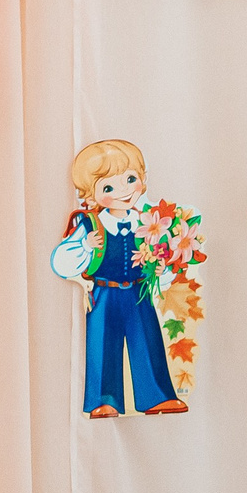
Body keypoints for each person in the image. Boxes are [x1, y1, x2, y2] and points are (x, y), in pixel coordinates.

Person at [49, 138, 188, 418]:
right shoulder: (90, 224)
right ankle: (104, 398)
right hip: (105, 293)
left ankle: (156, 396)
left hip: (139, 292)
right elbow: (62, 261)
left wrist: (160, 273)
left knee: (147, 340)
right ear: (90, 194)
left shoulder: (148, 224)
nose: (123, 191)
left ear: (142, 180)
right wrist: (86, 245)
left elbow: (163, 259)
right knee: (102, 344)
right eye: (109, 187)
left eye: (130, 179)